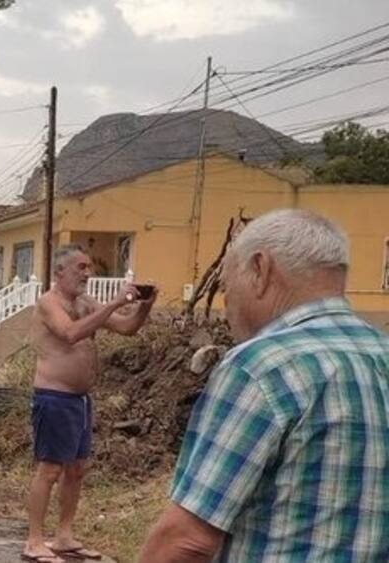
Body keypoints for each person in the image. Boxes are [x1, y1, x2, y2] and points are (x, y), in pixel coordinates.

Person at [138, 210, 389, 562]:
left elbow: (186, 542)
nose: (226, 306)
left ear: (260, 269)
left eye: (226, 286)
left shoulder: (261, 368)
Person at [23, 244, 154, 563]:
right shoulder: (48, 303)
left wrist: (145, 306)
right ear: (59, 272)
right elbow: (69, 334)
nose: (87, 273)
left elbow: (126, 328)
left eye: (89, 267)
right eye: (80, 268)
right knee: (50, 469)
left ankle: (64, 536)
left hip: (80, 400)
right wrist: (114, 303)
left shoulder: (85, 303)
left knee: (77, 469)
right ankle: (34, 540)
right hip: (54, 397)